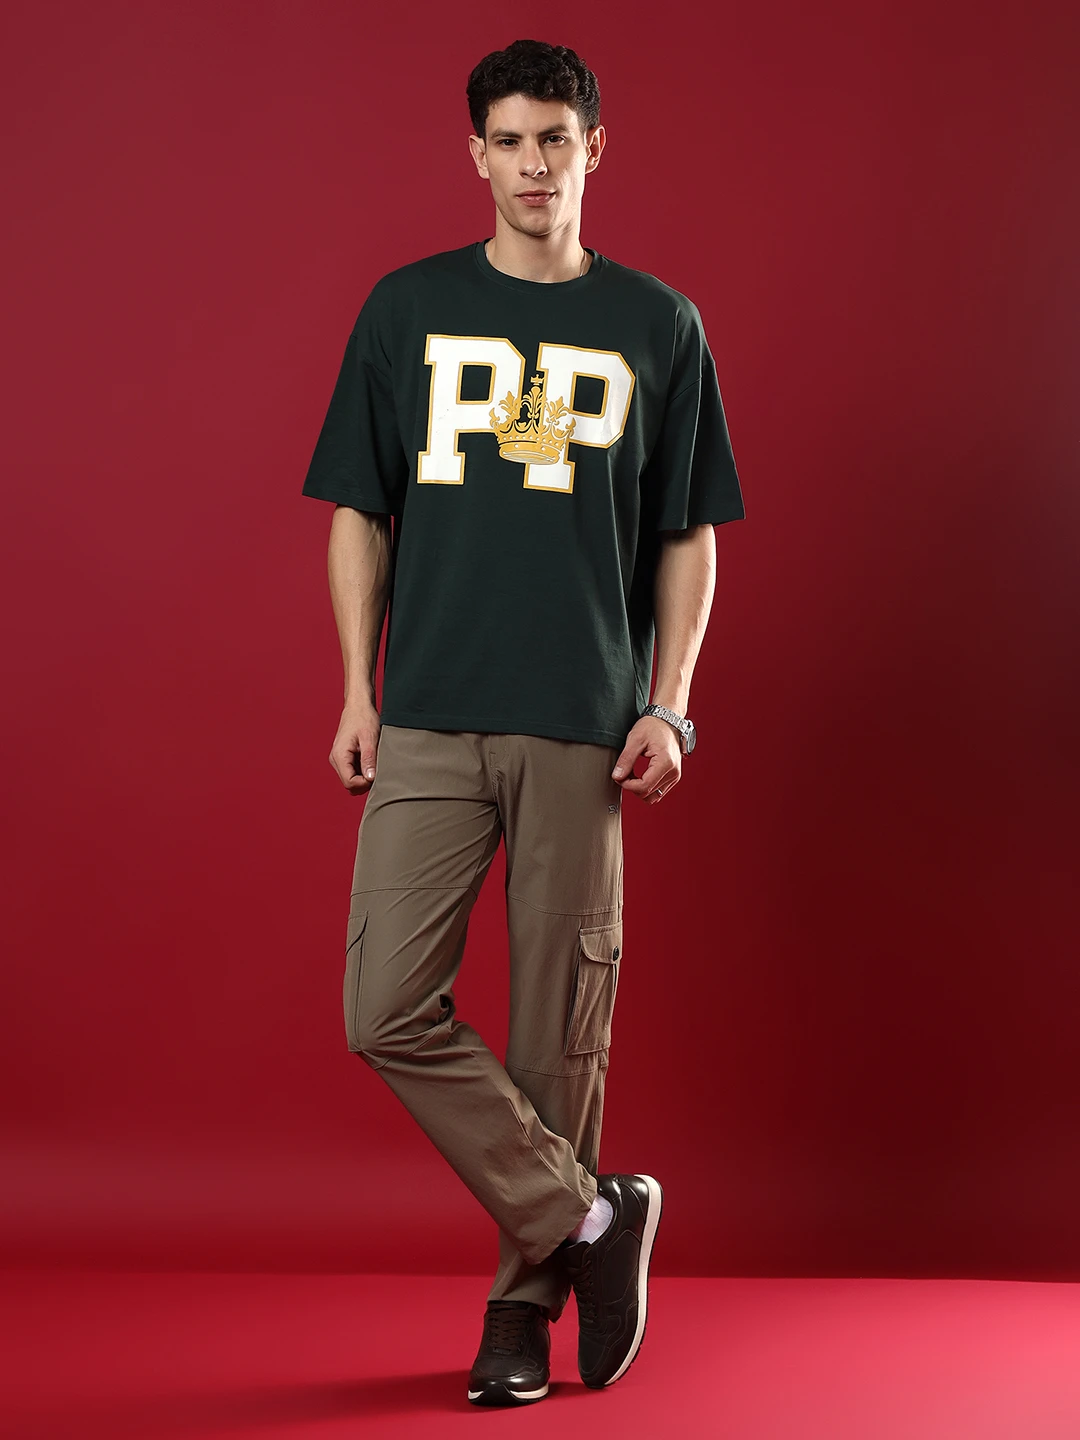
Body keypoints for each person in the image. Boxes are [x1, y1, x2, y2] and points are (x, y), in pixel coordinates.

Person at [300, 37, 746, 1407]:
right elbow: (360, 511)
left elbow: (688, 534)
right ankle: (592, 1216)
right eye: (510, 140)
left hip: (580, 722)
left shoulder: (658, 324)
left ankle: (519, 1312)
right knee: (385, 1006)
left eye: (557, 138)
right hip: (432, 710)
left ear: (594, 149)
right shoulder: (408, 309)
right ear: (476, 156)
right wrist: (359, 688)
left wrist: (670, 702)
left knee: (560, 1034)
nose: (535, 164)